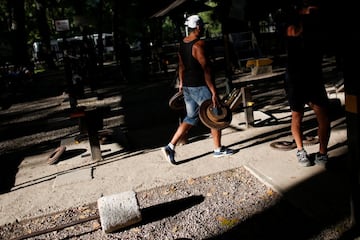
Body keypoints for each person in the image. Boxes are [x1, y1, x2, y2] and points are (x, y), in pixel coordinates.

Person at [162, 14, 234, 165]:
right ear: (198, 27)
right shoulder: (199, 45)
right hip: (200, 86)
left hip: (188, 86)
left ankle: (170, 146)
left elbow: (181, 65)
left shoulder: (183, 43)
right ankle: (218, 149)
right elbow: (206, 70)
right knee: (215, 114)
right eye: (202, 26)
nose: (203, 28)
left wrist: (181, 82)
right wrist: (213, 92)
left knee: (191, 117)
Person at [284, 0, 330, 167]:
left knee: (323, 116)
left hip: (313, 77)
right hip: (296, 79)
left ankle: (322, 153)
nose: (313, 14)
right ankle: (300, 150)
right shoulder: (293, 28)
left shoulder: (319, 29)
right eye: (310, 11)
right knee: (297, 115)